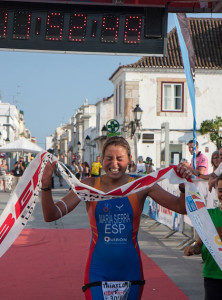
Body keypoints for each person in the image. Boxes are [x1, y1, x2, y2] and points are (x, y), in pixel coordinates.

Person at [41, 136, 191, 300]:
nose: (114, 164)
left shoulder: (141, 185)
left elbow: (180, 207)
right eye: (109, 158)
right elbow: (51, 215)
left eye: (120, 159)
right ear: (101, 159)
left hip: (131, 271)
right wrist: (46, 186)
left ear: (129, 160)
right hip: (98, 271)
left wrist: (183, 187)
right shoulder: (89, 186)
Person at [184, 174, 222, 300]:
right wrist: (193, 249)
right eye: (221, 190)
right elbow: (200, 244)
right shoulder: (209, 215)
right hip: (212, 275)